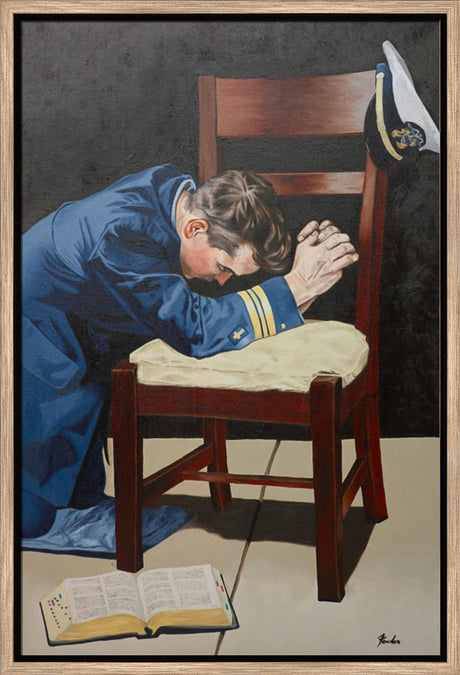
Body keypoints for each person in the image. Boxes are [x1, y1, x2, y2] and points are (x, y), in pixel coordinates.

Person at [21, 164, 358, 538]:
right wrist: (296, 286)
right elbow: (194, 330)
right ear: (195, 228)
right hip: (32, 340)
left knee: (76, 494)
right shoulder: (122, 234)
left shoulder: (174, 193)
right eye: (222, 266)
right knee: (32, 519)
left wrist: (304, 286)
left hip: (73, 335)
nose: (221, 280)